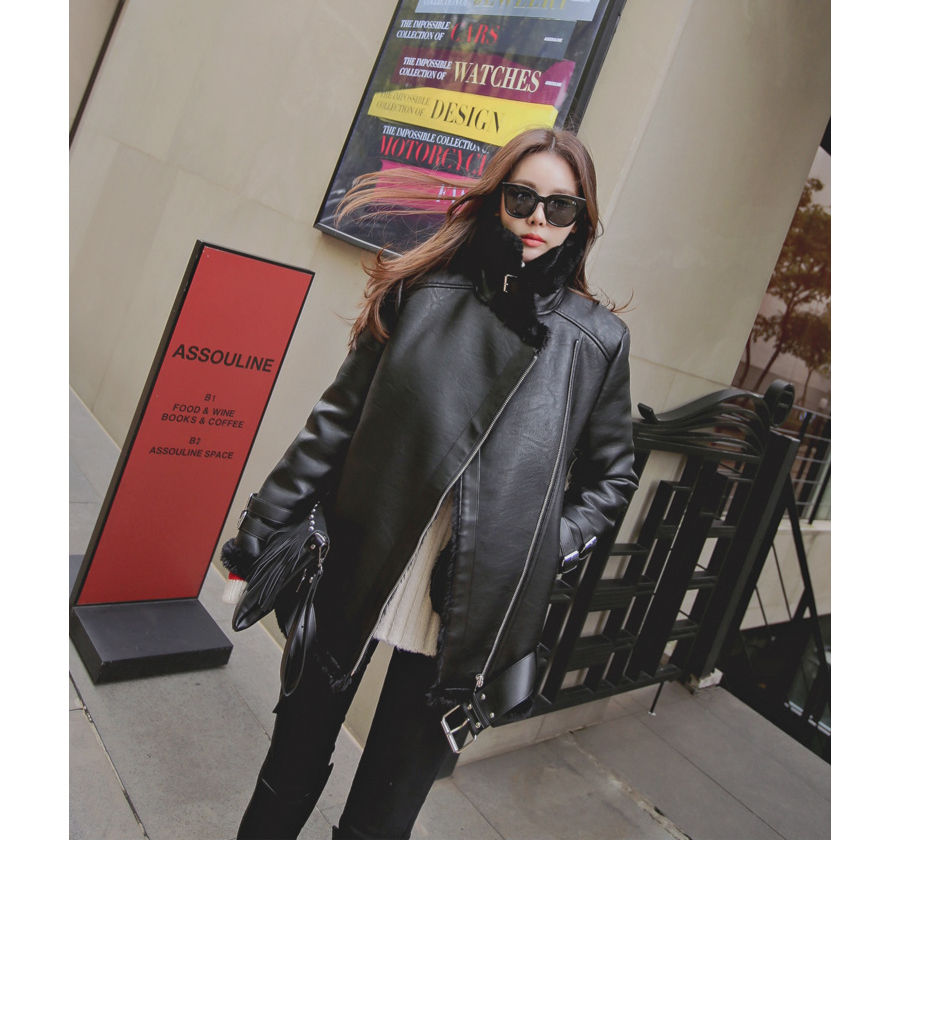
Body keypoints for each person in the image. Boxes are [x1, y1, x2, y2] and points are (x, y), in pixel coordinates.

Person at [223, 127, 638, 839]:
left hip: (469, 604)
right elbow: (334, 425)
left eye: (561, 206)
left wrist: (541, 548)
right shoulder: (421, 289)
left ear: (581, 221)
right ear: (496, 199)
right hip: (356, 561)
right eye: (523, 198)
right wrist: (256, 537)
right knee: (286, 774)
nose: (539, 219)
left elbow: (611, 477)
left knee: (383, 818)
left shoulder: (595, 341)